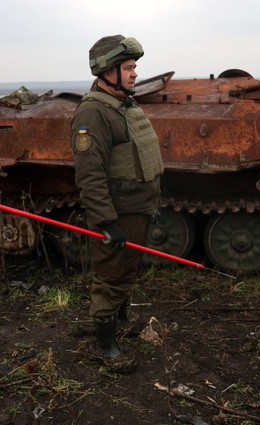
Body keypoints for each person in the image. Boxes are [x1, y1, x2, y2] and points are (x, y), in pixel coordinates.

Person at [70, 35, 164, 358]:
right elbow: (90, 175)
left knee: (128, 270)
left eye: (135, 66)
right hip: (118, 213)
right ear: (108, 72)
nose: (135, 73)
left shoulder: (124, 104)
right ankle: (105, 345)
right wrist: (106, 223)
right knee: (111, 276)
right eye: (128, 67)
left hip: (138, 208)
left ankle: (121, 320)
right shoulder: (93, 114)